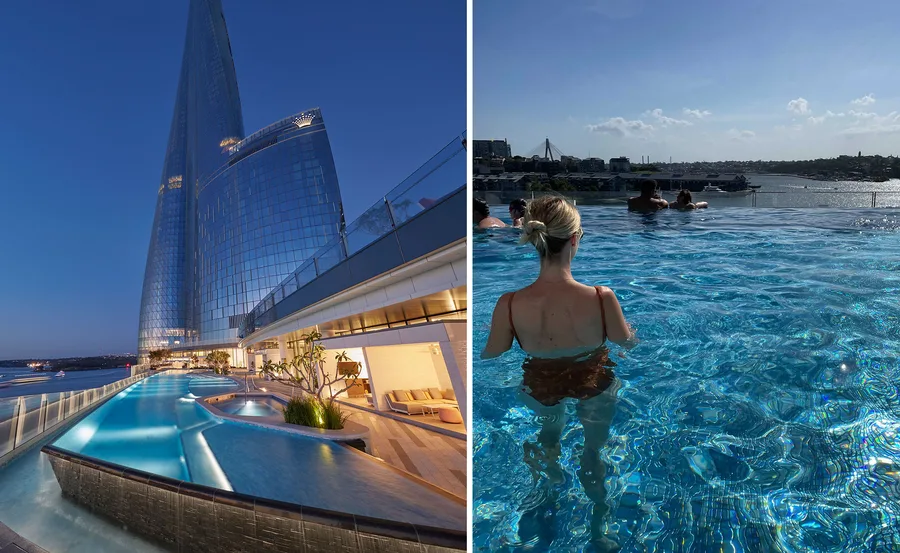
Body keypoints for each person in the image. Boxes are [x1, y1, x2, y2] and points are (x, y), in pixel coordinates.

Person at [482, 195, 637, 550]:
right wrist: (633, 331)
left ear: (535, 240)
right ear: (575, 239)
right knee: (593, 452)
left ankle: (548, 495)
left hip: (539, 380)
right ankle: (599, 529)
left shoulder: (508, 303)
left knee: (548, 434)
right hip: (593, 377)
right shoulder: (601, 297)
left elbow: (491, 355)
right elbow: (626, 343)